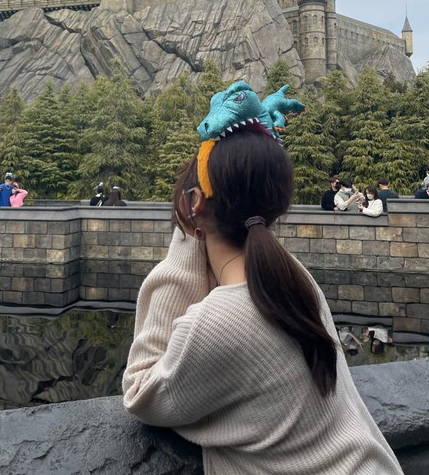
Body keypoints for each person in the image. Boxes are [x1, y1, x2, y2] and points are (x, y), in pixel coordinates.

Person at [123, 82, 402, 474]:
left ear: (194, 203)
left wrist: (187, 232)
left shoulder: (214, 325)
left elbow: (140, 391)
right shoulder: (296, 281)